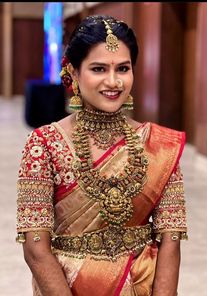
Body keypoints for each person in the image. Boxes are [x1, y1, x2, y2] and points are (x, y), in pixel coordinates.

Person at [16, 14, 188, 296]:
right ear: (73, 73)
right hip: (67, 286)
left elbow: (171, 238)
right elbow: (36, 248)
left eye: (123, 68)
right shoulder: (44, 143)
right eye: (98, 69)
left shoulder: (158, 145)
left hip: (140, 285)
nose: (113, 82)